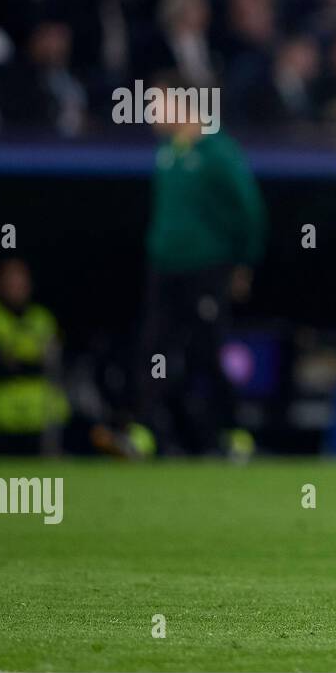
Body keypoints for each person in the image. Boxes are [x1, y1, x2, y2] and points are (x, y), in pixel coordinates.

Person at [135, 74, 267, 456]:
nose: (150, 114)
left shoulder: (219, 151)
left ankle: (232, 432)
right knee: (153, 349)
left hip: (206, 270)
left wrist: (243, 263)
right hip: (163, 270)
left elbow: (250, 212)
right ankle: (145, 432)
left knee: (207, 352)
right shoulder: (166, 154)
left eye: (157, 104)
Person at [0, 259, 69, 455]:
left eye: (20, 279)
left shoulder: (42, 317)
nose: (15, 285)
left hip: (41, 423)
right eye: (9, 279)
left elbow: (54, 362)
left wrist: (13, 361)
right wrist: (18, 363)